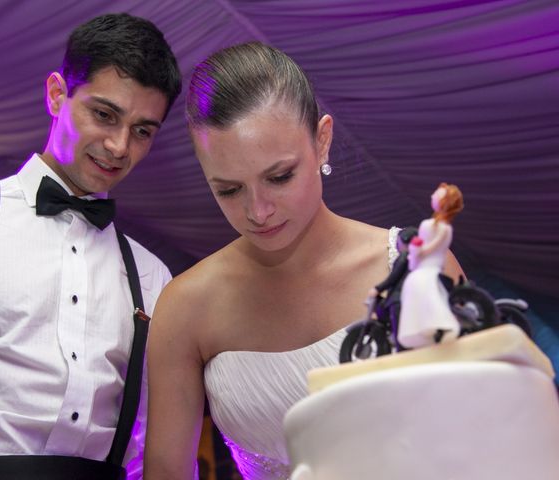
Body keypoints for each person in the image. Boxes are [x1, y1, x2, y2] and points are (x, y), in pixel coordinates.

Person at [143, 42, 463, 479]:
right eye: (229, 189)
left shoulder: (414, 269)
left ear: (323, 141)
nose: (258, 211)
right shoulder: (186, 307)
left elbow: (487, 430)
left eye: (279, 177)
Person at [0, 13, 181, 480]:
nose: (120, 146)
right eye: (104, 114)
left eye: (143, 131)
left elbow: (145, 444)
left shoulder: (153, 277)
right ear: (57, 94)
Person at [397, 183, 464, 348]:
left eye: (437, 195)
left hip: (431, 264)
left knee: (419, 283)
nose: (432, 196)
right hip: (423, 263)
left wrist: (418, 250)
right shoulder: (431, 223)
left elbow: (434, 246)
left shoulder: (443, 228)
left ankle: (443, 322)